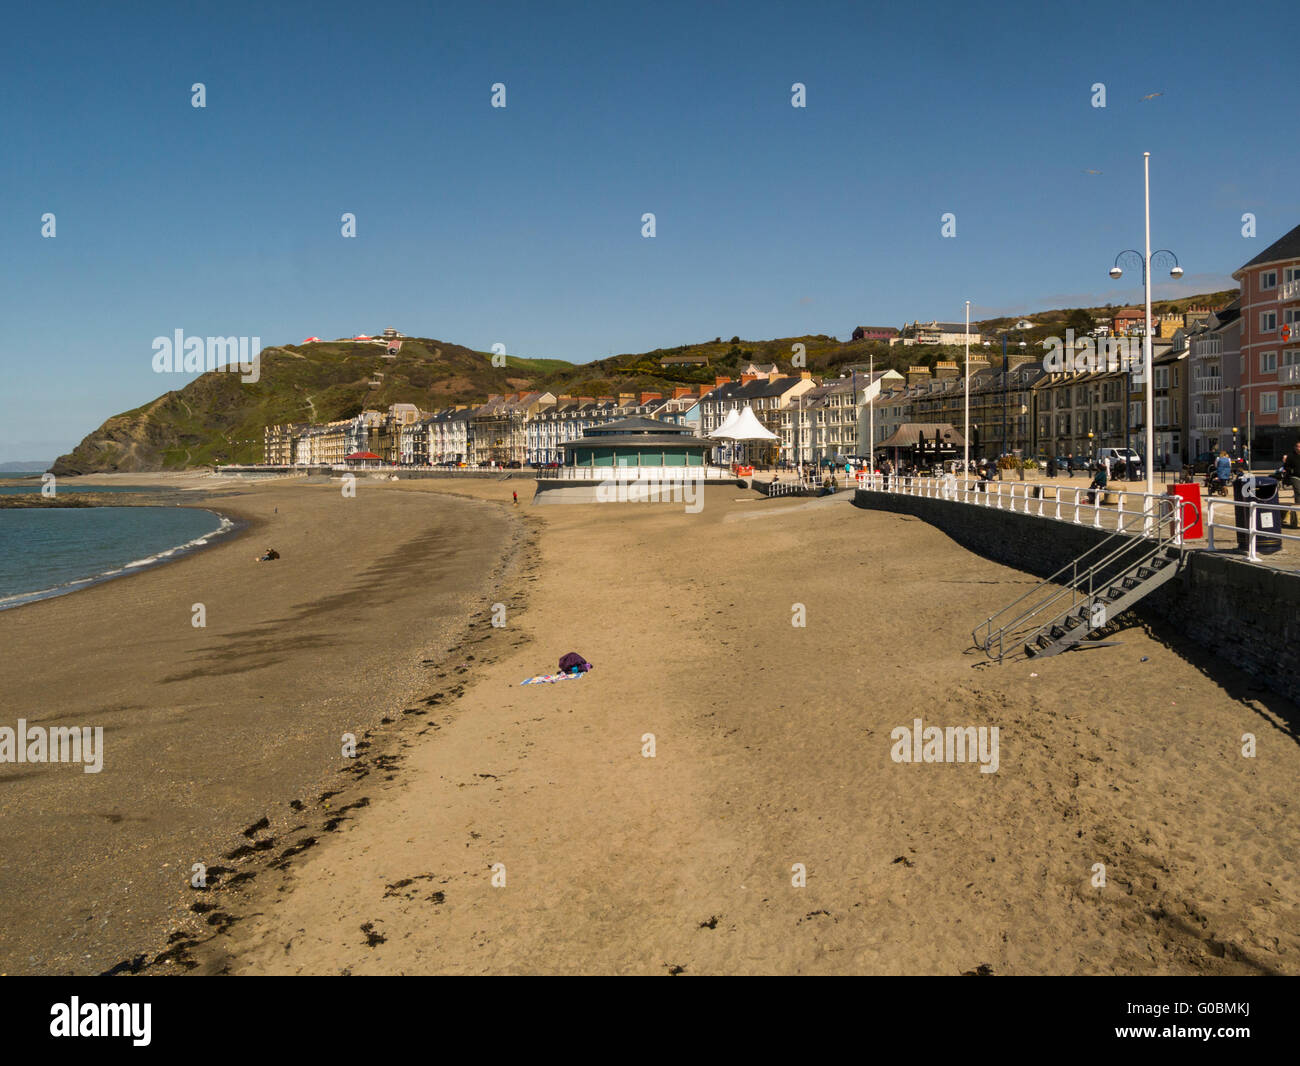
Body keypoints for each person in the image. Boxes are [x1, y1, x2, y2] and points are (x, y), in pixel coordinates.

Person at [1283, 441, 1300, 529]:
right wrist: (1291, 471)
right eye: (1297, 446)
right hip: (1295, 476)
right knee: (1298, 491)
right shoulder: (1291, 456)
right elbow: (1286, 466)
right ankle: (1298, 507)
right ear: (1295, 447)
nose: (1299, 448)